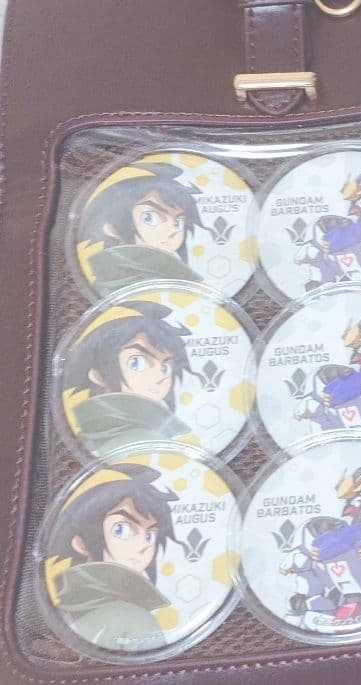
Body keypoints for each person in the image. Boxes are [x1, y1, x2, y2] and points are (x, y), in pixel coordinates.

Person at [44, 463, 178, 651]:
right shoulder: (134, 618)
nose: (144, 545)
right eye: (121, 529)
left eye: (150, 535)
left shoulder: (66, 602)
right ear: (81, 543)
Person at [63, 300, 193, 454]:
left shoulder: (158, 426)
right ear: (98, 375)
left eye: (165, 367)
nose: (161, 376)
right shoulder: (129, 436)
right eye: (136, 362)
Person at [77, 162, 204, 291]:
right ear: (112, 228)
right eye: (149, 218)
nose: (173, 231)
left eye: (178, 223)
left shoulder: (169, 270)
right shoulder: (114, 275)